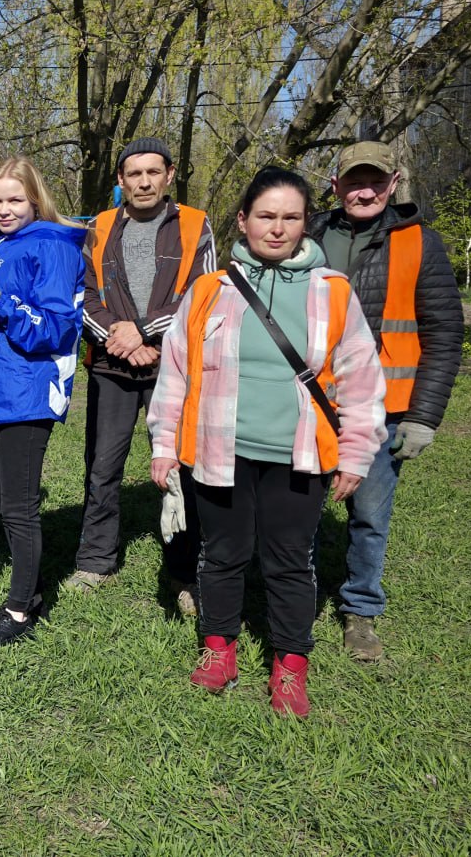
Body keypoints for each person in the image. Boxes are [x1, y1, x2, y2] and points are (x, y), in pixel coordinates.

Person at [148, 167, 386, 717]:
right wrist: (164, 444)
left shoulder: (332, 293)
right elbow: (175, 375)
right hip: (218, 451)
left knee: (288, 561)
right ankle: (219, 648)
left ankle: (290, 664)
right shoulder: (211, 290)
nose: (277, 228)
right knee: (222, 554)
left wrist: (355, 454)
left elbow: (360, 379)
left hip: (297, 455)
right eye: (266, 216)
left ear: (307, 224)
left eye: (291, 218)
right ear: (243, 220)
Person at [308, 142, 464, 662]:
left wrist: (423, 416)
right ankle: (297, 597)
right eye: (354, 180)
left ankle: (361, 609)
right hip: (310, 401)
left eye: (375, 180)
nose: (365, 190)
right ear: (336, 185)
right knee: (300, 507)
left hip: (382, 407)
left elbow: (444, 332)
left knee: (370, 514)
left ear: (393, 183)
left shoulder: (421, 242)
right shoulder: (306, 234)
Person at [69, 137, 216, 614]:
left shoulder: (196, 225)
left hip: (172, 364)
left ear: (170, 175)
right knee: (102, 466)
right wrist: (118, 336)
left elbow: (203, 295)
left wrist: (146, 334)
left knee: (179, 467)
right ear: (121, 180)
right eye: (134, 174)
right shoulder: (98, 227)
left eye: (154, 172)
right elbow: (83, 295)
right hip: (111, 365)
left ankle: (184, 572)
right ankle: (95, 561)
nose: (144, 181)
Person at [0, 156, 87, 648]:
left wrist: (0, 302)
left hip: (26, 394)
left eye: (15, 199)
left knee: (19, 507)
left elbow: (56, 329)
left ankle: (19, 610)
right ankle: (26, 593)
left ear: (36, 198)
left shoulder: (52, 246)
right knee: (1, 501)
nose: (4, 208)